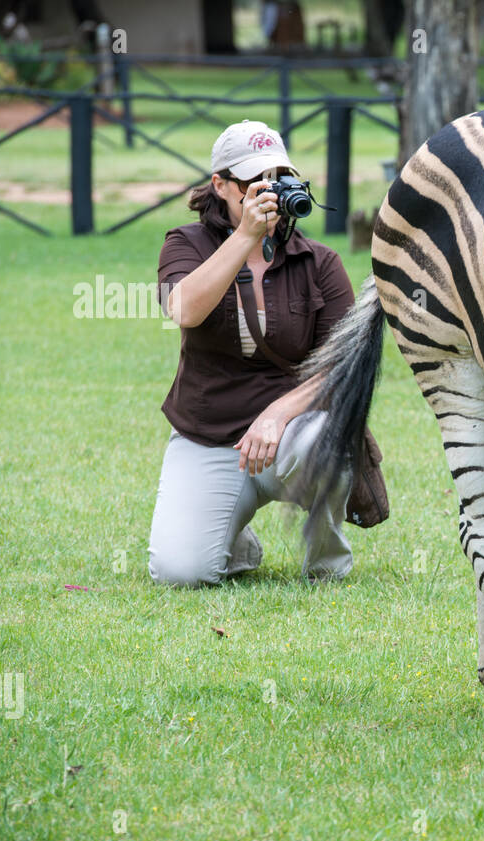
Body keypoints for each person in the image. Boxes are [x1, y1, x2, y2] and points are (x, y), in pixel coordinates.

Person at [148, 120, 372, 587]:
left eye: (279, 177)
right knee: (180, 573)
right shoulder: (185, 244)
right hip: (209, 434)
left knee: (330, 437)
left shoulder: (320, 262)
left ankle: (326, 566)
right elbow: (184, 309)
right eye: (254, 182)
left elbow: (341, 367)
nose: (268, 191)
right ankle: (233, 533)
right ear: (221, 186)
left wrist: (277, 413)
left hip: (291, 434)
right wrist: (245, 238)